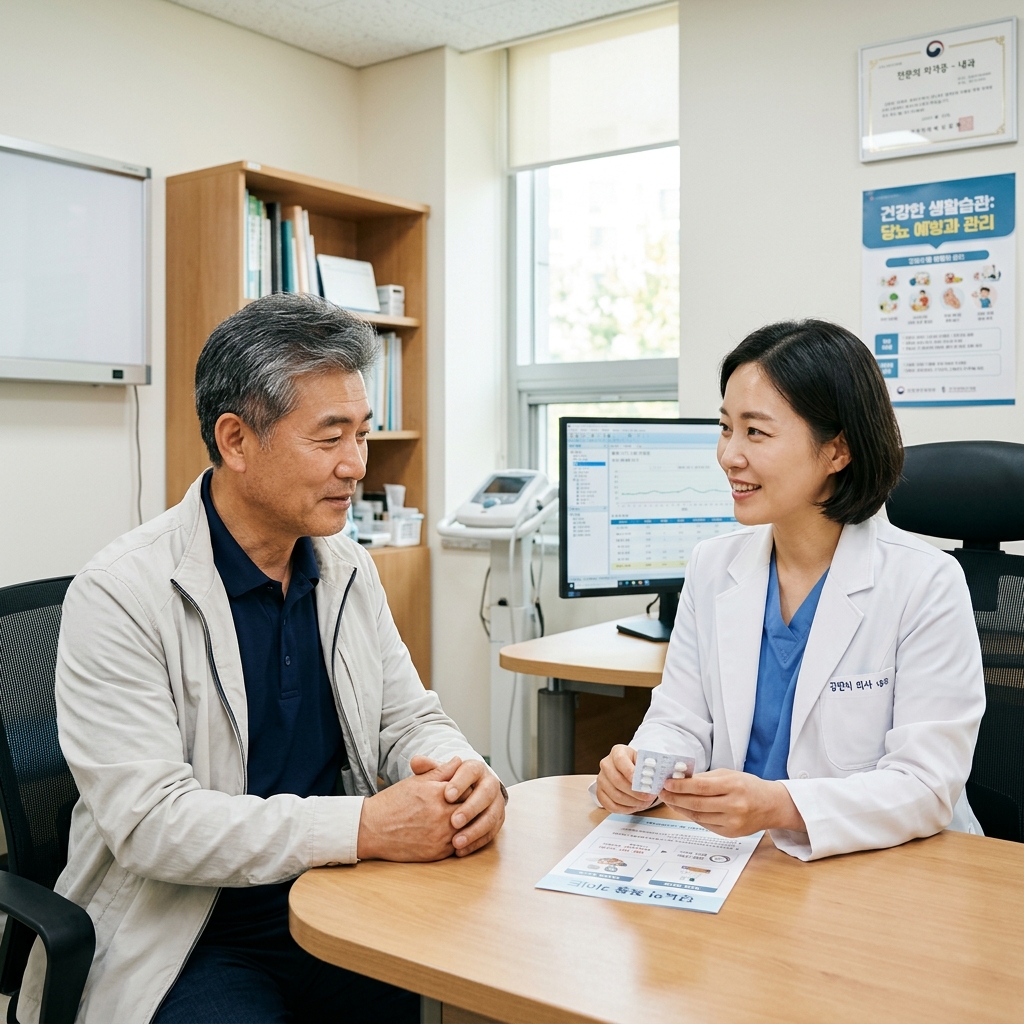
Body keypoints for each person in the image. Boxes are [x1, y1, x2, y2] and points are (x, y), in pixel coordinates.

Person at [18, 294, 506, 1024]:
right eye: (330, 438)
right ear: (236, 440)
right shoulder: (122, 592)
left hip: (340, 901)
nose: (356, 466)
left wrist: (461, 774)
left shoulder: (345, 569)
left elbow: (407, 718)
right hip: (192, 932)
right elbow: (154, 824)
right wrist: (366, 826)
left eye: (363, 435)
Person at [596, 319, 985, 861]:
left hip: (886, 869)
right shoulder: (712, 567)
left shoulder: (925, 583)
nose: (730, 454)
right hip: (745, 863)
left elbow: (926, 786)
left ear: (837, 451)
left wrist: (781, 805)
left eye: (756, 432)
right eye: (726, 427)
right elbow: (679, 720)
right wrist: (641, 767)